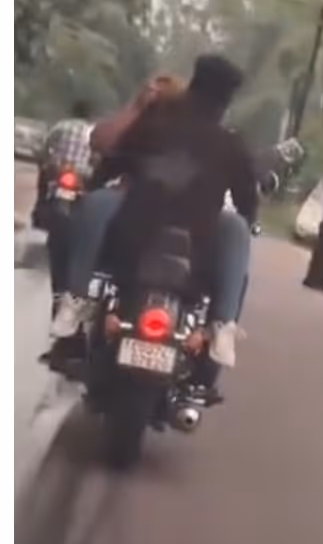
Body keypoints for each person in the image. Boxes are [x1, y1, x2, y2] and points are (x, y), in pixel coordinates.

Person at [48, 58, 258, 387]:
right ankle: (222, 324)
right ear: (226, 101)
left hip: (135, 233)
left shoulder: (157, 121)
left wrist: (102, 183)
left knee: (93, 204)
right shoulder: (229, 143)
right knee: (238, 230)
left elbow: (115, 159)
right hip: (195, 246)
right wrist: (246, 218)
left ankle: (74, 301)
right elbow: (247, 199)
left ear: (192, 86)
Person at [36, 100, 97, 309]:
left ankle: (40, 205)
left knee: (43, 180)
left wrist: (46, 161)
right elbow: (96, 157)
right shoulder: (92, 131)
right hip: (82, 177)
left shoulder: (61, 126)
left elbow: (45, 148)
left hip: (59, 172)